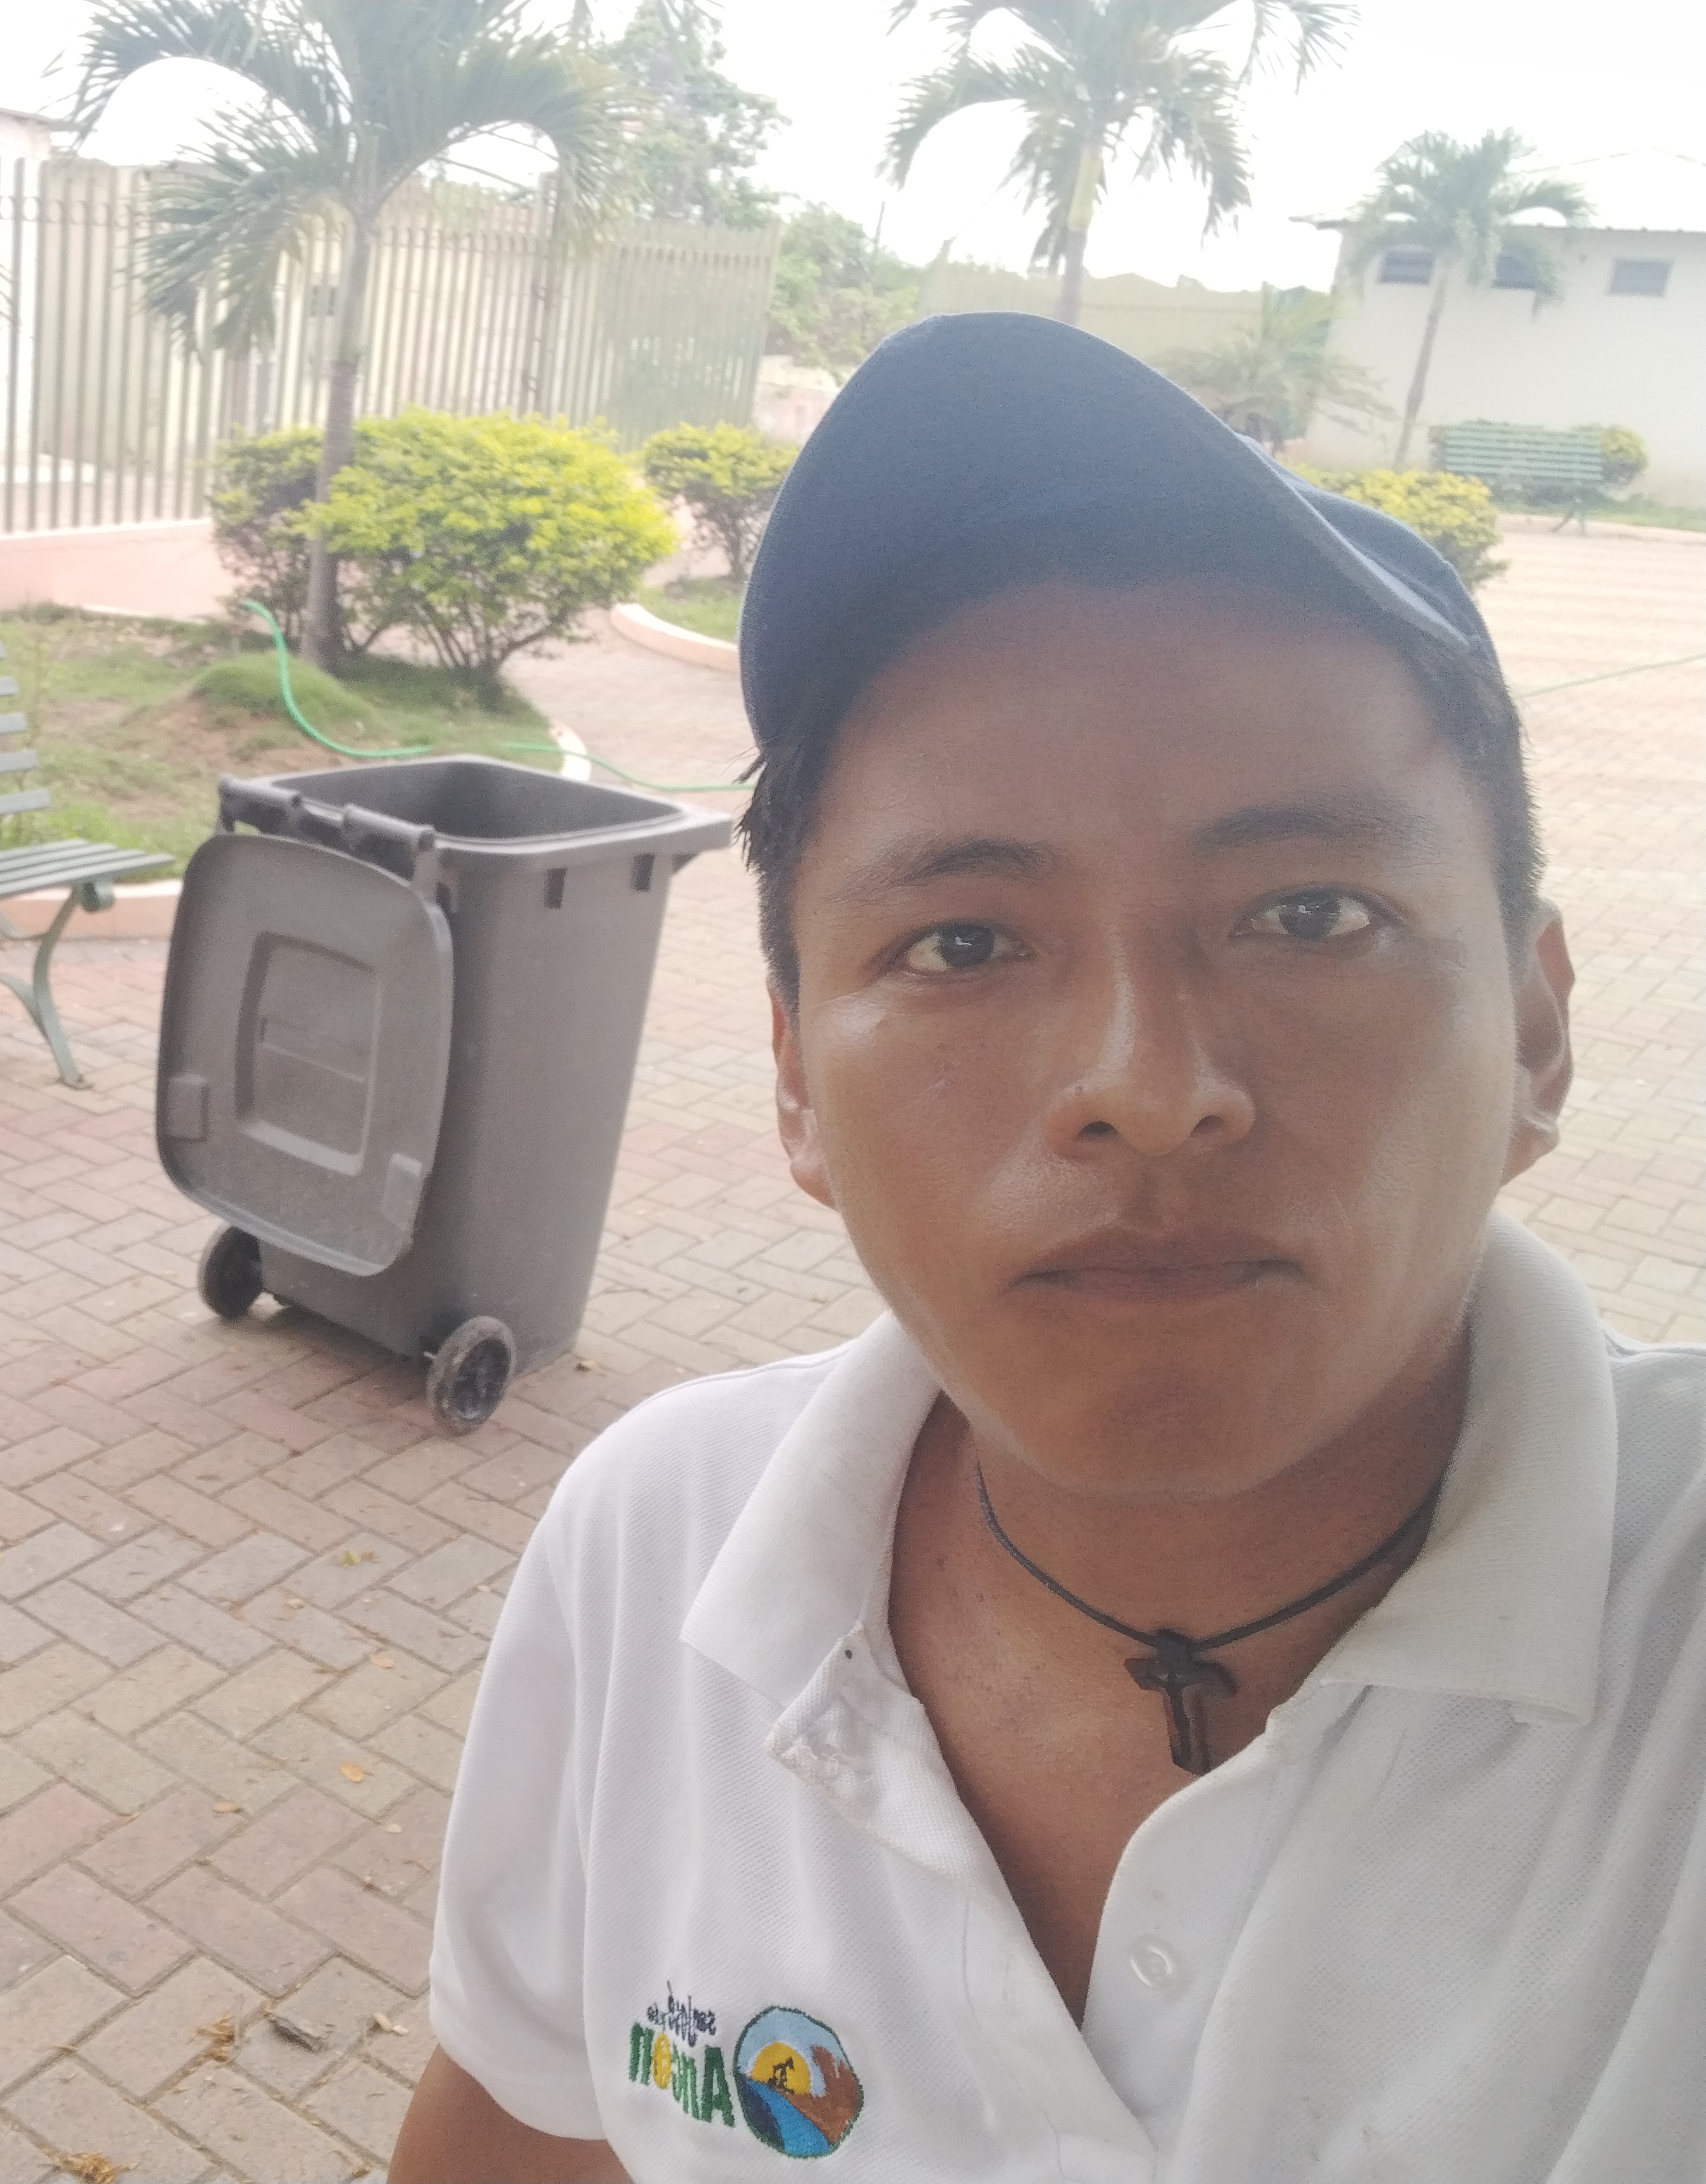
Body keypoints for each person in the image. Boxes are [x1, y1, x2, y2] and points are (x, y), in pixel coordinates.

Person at [389, 314, 1705, 2182]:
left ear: (1539, 1030)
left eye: (1309, 915)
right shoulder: (655, 1547)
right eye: (965, 943)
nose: (1150, 1094)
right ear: (794, 1084)